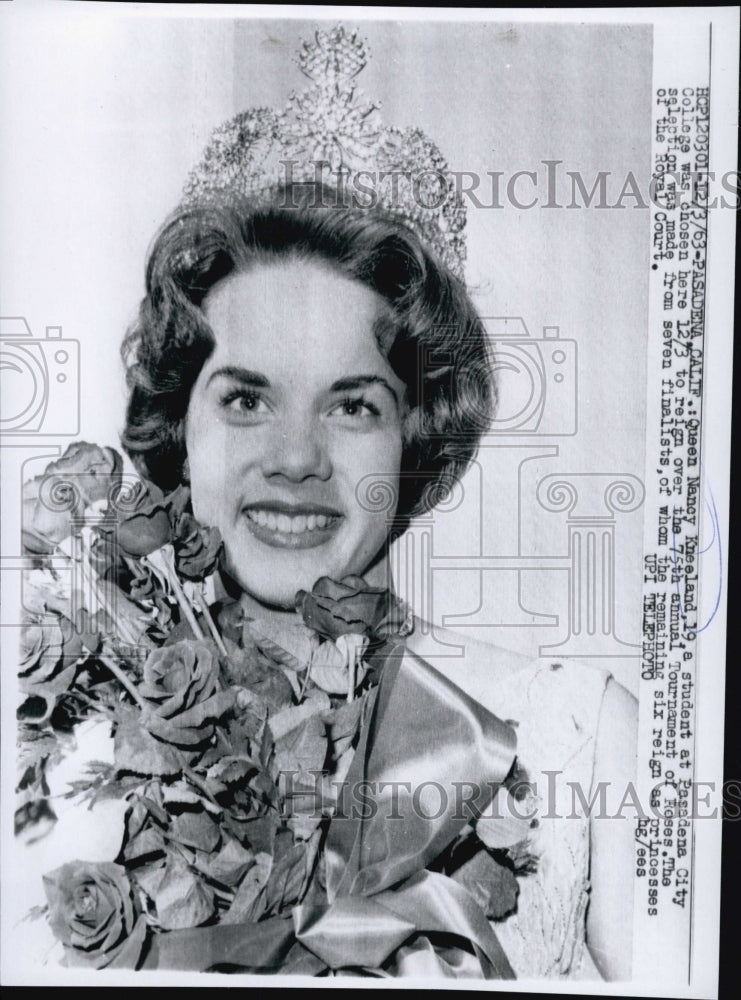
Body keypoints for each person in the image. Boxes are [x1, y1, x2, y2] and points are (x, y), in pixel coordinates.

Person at [115, 25, 637, 980]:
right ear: (178, 427)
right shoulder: (66, 736)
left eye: (352, 405)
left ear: (416, 433)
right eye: (245, 397)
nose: (296, 459)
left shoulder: (579, 737)